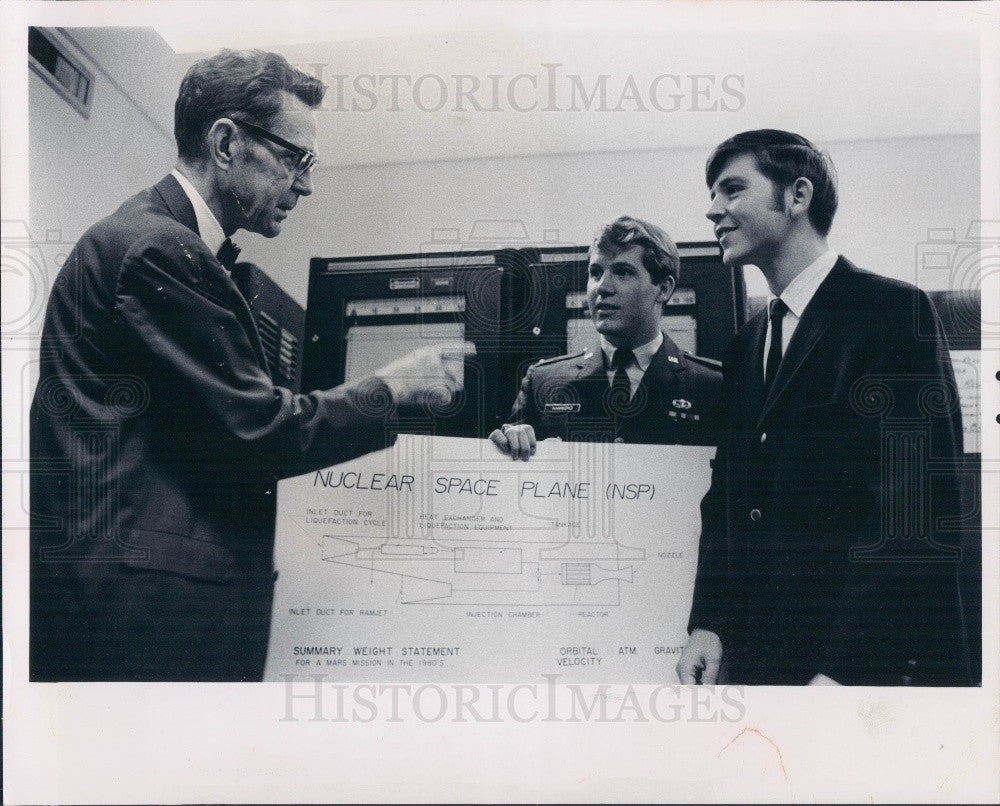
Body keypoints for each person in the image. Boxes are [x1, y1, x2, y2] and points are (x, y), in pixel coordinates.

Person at [29, 49, 472, 682]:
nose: (307, 183)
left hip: (131, 614)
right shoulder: (159, 249)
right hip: (142, 628)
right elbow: (260, 431)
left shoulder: (154, 243)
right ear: (227, 142)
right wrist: (391, 387)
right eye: (295, 157)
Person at [677, 129, 969, 686]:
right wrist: (708, 623)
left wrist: (843, 669)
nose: (713, 210)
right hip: (763, 664)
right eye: (713, 195)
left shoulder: (891, 312)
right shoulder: (746, 345)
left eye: (731, 190)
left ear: (797, 196)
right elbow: (728, 501)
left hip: (860, 672)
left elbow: (915, 513)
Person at [489, 216, 722, 460]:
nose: (602, 286)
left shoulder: (714, 387)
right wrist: (508, 445)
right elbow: (511, 485)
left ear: (663, 289)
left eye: (622, 272)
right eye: (596, 272)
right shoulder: (543, 381)